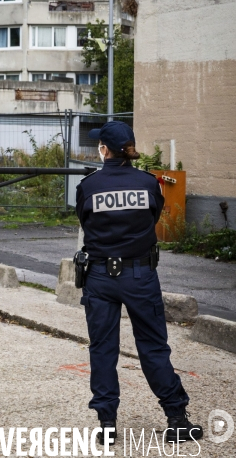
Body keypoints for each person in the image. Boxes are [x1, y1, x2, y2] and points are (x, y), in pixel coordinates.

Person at [76, 121, 203, 446]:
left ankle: (106, 424)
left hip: (101, 276)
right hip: (140, 275)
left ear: (104, 149)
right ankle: (176, 418)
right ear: (129, 149)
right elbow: (154, 217)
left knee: (103, 349)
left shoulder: (88, 186)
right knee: (153, 347)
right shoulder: (149, 183)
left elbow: (84, 219)